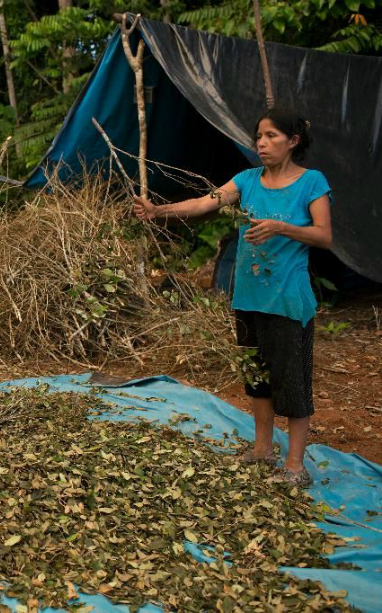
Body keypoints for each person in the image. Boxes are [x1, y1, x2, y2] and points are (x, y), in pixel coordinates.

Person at [133, 107, 332, 487]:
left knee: (292, 383)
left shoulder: (312, 183)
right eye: (259, 136)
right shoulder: (247, 180)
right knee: (257, 379)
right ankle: (261, 450)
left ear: (293, 141)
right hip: (249, 298)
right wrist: (159, 211)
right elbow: (204, 203)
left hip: (288, 300)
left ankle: (294, 467)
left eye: (272, 135)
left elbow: (324, 236)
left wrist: (280, 227)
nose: (262, 142)